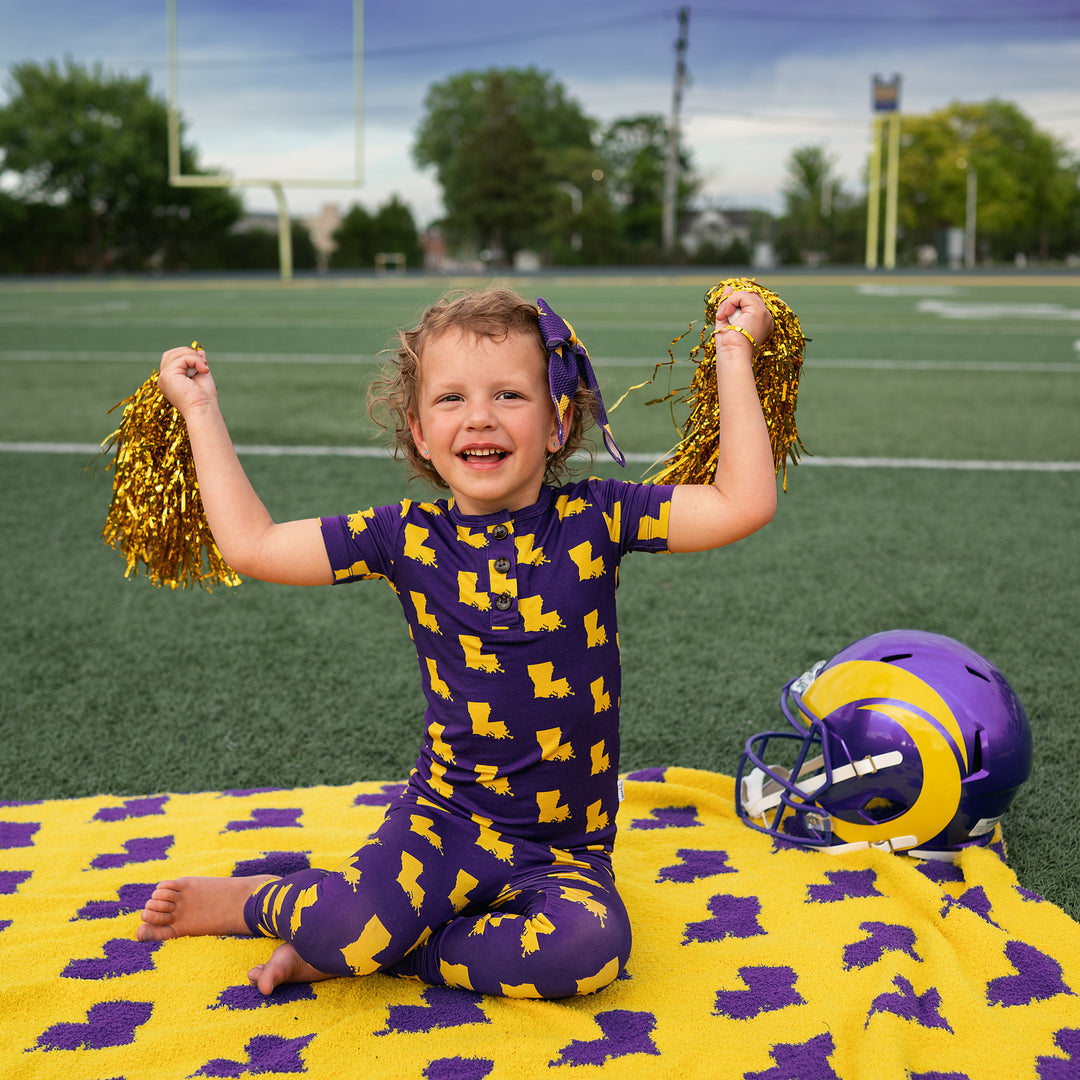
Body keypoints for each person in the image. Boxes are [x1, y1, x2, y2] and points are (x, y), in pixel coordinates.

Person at [137, 285, 777, 1000]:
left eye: (509, 394)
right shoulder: (403, 535)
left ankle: (393, 949)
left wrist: (732, 351)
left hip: (564, 851)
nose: (480, 417)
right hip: (445, 823)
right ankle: (263, 901)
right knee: (345, 921)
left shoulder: (601, 517)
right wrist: (199, 410)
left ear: (560, 422)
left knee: (589, 953)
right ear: (417, 431)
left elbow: (741, 502)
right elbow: (254, 546)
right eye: (450, 400)